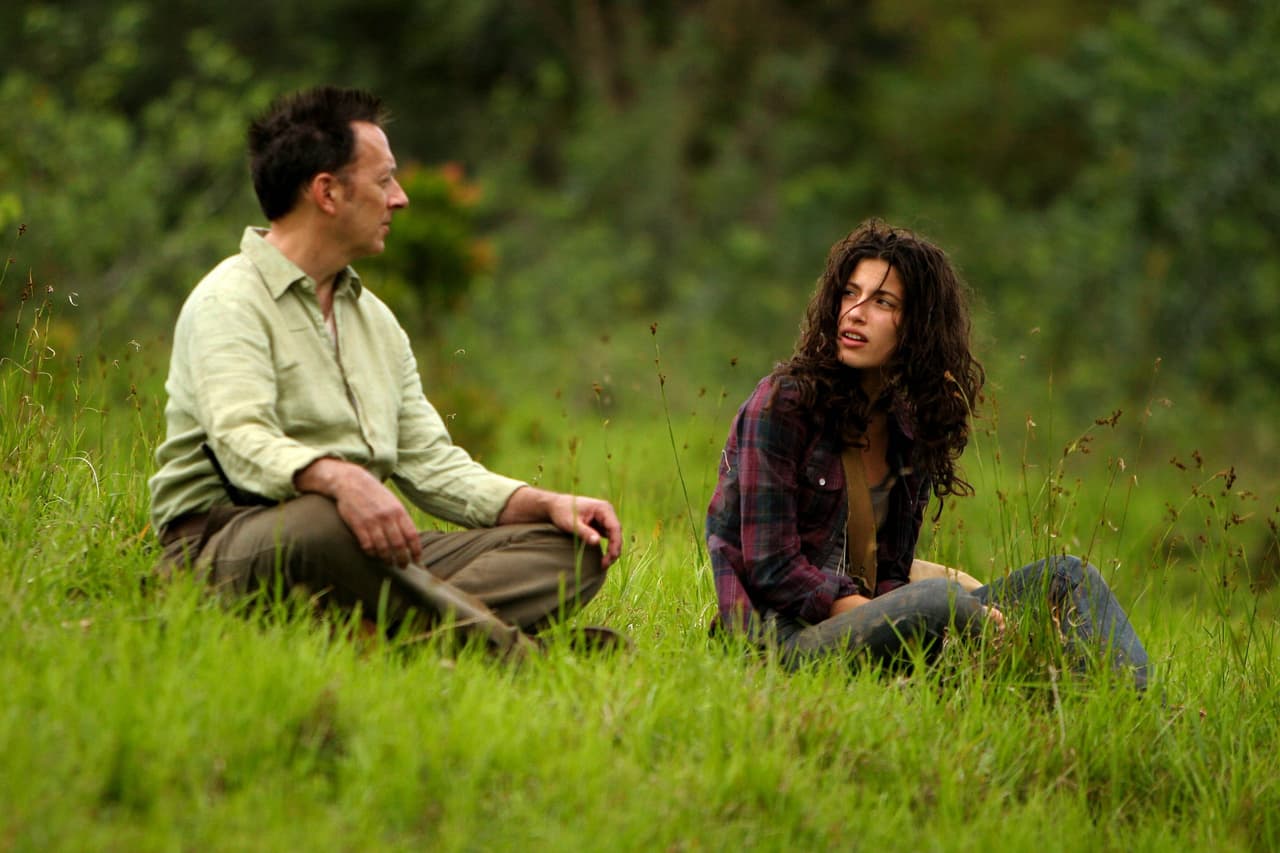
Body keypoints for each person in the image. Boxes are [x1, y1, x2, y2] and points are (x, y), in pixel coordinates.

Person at [149, 86, 621, 642]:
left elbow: (430, 464)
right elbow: (238, 436)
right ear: (327, 192)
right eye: (383, 180)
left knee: (572, 547)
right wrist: (337, 478)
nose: (399, 198)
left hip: (357, 556)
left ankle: (370, 635)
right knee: (320, 520)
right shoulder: (227, 301)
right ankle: (511, 653)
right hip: (232, 541)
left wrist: (540, 502)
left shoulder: (375, 321)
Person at [705, 219, 1148, 689]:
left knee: (1066, 575)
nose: (855, 312)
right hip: (782, 642)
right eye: (849, 294)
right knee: (940, 601)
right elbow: (772, 569)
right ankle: (1040, 678)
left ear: (917, 326)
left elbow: (891, 576)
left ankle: (1126, 698)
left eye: (882, 302)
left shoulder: (906, 429)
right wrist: (929, 613)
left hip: (870, 627)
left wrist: (945, 609)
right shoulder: (783, 404)